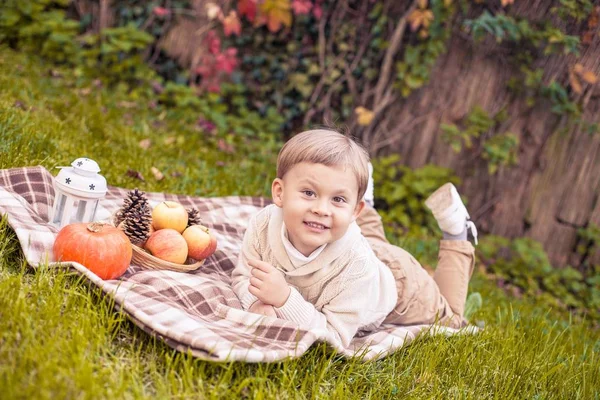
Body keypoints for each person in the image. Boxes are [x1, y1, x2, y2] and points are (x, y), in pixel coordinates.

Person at [231, 129, 478, 348]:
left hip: (403, 287)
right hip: (360, 247)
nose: (321, 209)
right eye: (308, 193)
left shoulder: (357, 267)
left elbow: (334, 336)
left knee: (452, 318)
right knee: (366, 240)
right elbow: (243, 277)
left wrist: (285, 299)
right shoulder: (263, 225)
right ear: (279, 193)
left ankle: (458, 235)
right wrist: (256, 304)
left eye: (337, 199)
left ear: (353, 213)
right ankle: (362, 198)